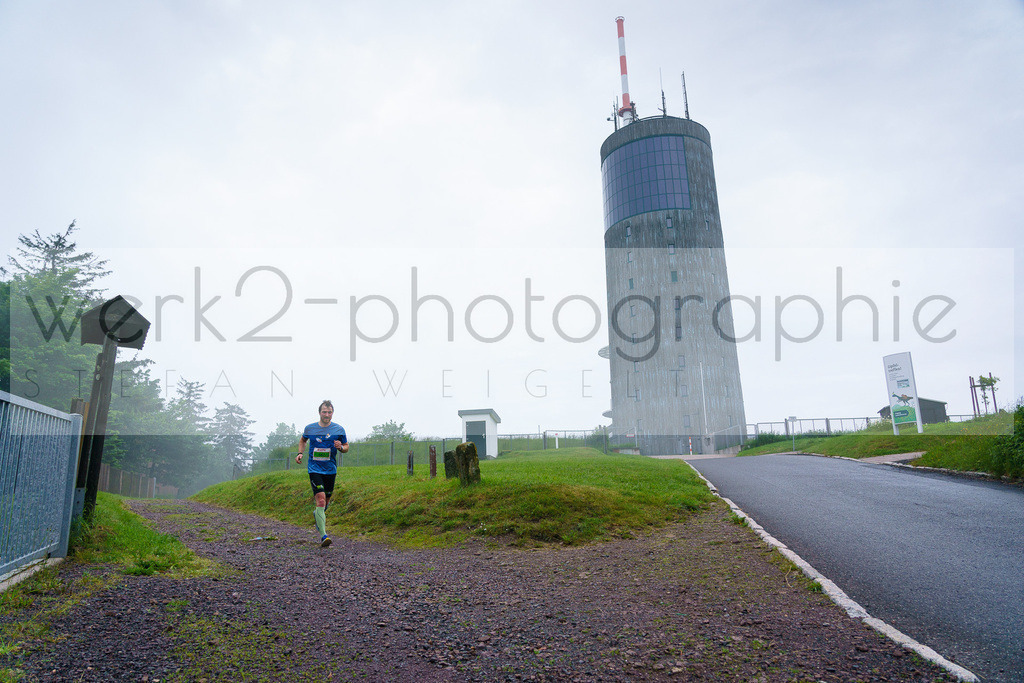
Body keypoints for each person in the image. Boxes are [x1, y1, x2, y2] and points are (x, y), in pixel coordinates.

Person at [296, 399, 348, 547]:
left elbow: (346, 446)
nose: (327, 414)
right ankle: (324, 536)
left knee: (325, 504)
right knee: (320, 500)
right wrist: (300, 453)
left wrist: (341, 447)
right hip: (314, 468)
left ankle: (317, 515)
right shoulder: (310, 428)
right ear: (319, 413)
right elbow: (302, 440)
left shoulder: (339, 429)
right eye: (324, 412)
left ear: (332, 413)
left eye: (329, 412)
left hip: (330, 470)